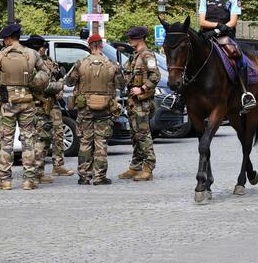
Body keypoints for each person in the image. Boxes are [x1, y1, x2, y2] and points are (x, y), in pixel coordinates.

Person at [0, 23, 49, 191]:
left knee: (6, 141)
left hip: (8, 102)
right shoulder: (32, 54)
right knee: (28, 139)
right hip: (28, 100)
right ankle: (29, 180)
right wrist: (34, 83)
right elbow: (46, 73)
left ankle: (5, 180)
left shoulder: (0, 56)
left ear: (8, 38)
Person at [198, 0, 256, 113]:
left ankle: (245, 94)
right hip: (207, 35)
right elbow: (202, 21)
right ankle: (178, 95)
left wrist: (219, 30)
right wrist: (217, 26)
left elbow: (233, 21)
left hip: (226, 37)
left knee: (238, 57)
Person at [66, 33, 124, 185]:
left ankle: (84, 176)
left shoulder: (81, 63)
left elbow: (70, 82)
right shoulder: (112, 64)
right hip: (105, 108)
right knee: (101, 142)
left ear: (89, 46)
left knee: (85, 142)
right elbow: (121, 85)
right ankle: (100, 177)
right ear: (102, 46)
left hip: (84, 108)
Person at [24, 35, 73, 177]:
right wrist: (58, 86)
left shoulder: (48, 61)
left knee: (58, 134)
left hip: (52, 103)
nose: (43, 51)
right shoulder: (28, 62)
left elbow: (57, 76)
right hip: (37, 104)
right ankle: (36, 170)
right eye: (42, 48)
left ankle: (58, 165)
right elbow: (40, 85)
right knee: (40, 137)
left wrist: (60, 89)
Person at [118, 26, 160, 182]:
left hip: (142, 102)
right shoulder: (134, 56)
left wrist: (142, 88)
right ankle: (135, 166)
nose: (129, 41)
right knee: (135, 135)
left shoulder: (147, 55)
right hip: (132, 102)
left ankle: (148, 167)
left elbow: (155, 75)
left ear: (140, 39)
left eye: (132, 38)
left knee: (143, 135)